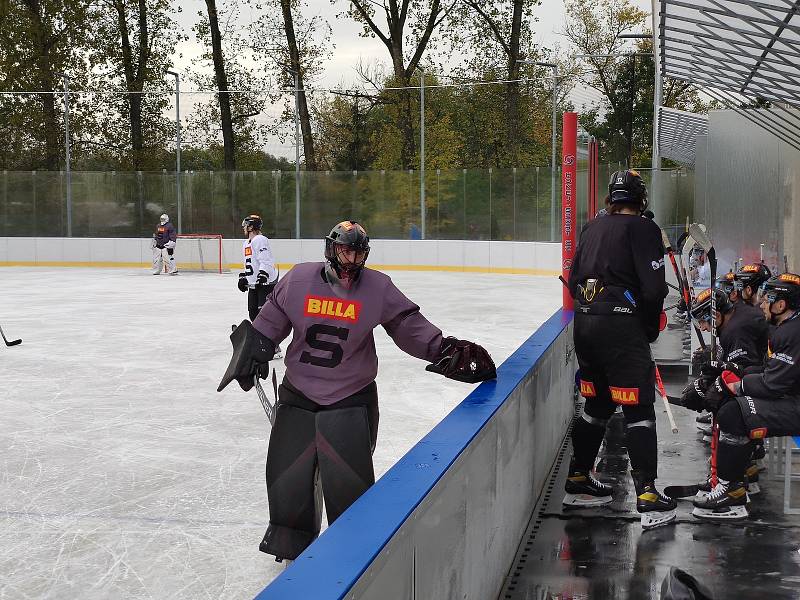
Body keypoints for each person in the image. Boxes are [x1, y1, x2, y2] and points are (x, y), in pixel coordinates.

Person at [217, 220, 496, 561]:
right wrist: (253, 350)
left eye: (357, 252)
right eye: (343, 250)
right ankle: (289, 538)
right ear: (330, 249)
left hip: (350, 398)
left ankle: (352, 547)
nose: (350, 259)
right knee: (287, 476)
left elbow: (407, 326)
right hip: (298, 394)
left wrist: (446, 350)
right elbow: (269, 323)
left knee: (347, 484)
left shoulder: (377, 287)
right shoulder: (298, 280)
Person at [565, 169, 676, 530]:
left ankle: (579, 478)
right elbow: (655, 290)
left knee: (596, 402)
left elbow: (576, 276)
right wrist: (645, 329)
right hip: (620, 327)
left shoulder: (592, 227)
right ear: (640, 199)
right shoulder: (644, 229)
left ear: (611, 199)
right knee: (638, 406)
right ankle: (647, 493)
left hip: (585, 324)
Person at [681, 273, 800, 521]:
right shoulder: (786, 328)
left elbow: (773, 384)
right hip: (789, 397)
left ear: (782, 305)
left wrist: (734, 385)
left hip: (794, 404)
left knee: (732, 412)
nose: (762, 303)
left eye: (769, 299)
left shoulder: (791, 333)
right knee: (731, 407)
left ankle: (731, 489)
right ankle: (731, 478)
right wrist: (732, 371)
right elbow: (768, 371)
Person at [238, 215, 278, 321]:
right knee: (253, 314)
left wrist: (263, 275)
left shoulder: (260, 239)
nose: (244, 228)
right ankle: (256, 335)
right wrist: (243, 277)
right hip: (254, 285)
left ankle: (266, 335)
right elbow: (249, 263)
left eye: (245, 226)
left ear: (251, 227)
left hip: (265, 284)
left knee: (264, 316)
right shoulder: (246, 244)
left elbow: (266, 259)